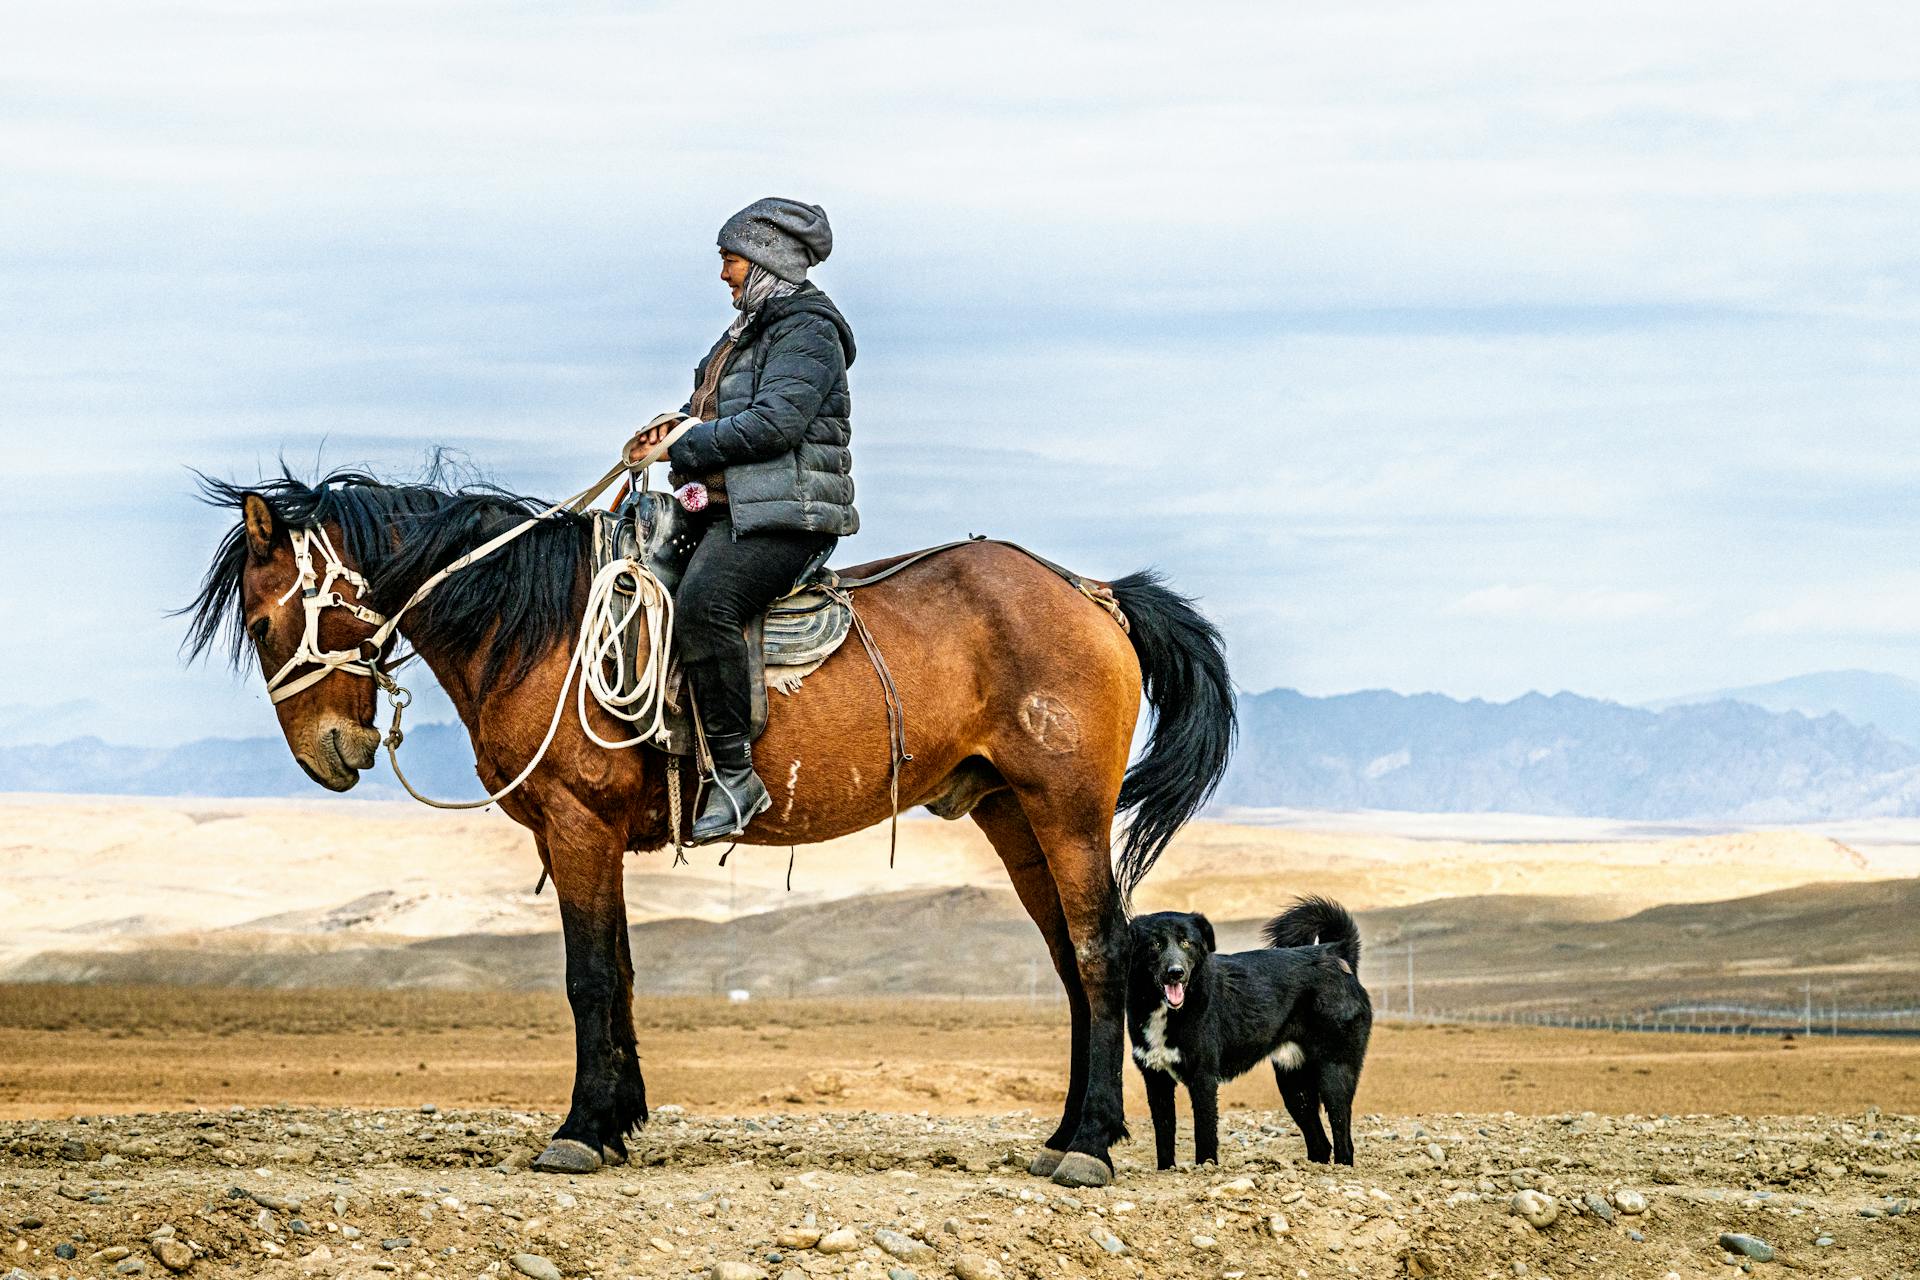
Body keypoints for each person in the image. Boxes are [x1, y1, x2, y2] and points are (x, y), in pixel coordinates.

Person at [625, 197, 858, 843]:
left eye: (730, 260)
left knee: (706, 605)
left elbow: (776, 424)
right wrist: (667, 431)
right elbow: (709, 410)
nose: (724, 274)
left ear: (763, 262)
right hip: (735, 511)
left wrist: (687, 445)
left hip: (787, 519)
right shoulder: (747, 334)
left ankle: (734, 777)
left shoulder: (807, 331)